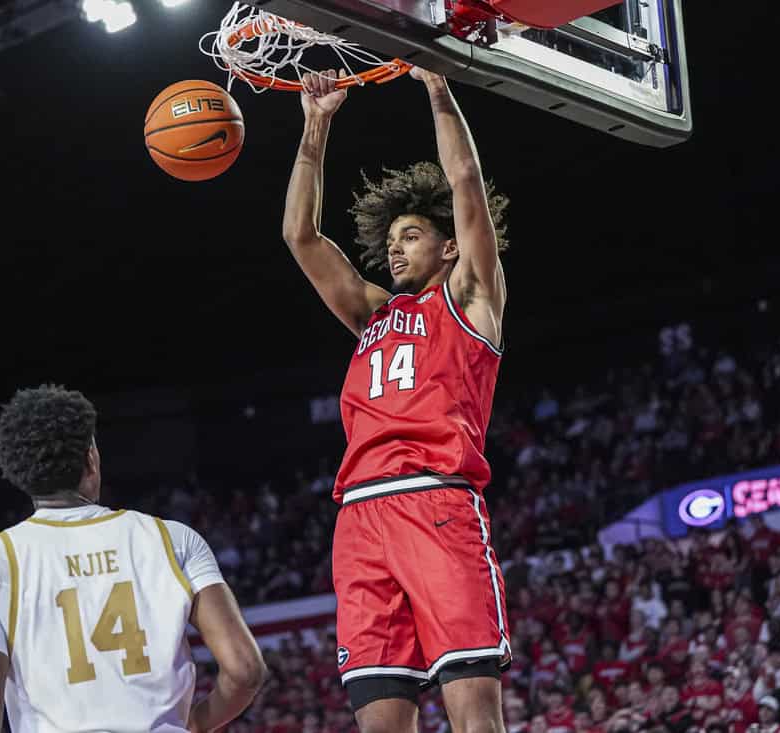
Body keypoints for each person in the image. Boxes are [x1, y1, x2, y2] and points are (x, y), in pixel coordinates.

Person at [282, 66, 511, 732]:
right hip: (359, 520)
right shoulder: (371, 311)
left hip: (435, 499)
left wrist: (437, 89)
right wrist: (315, 125)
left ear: (447, 246)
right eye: (390, 240)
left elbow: (465, 183)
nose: (394, 246)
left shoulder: (469, 297)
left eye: (409, 235)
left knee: (474, 714)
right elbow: (299, 235)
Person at [0, 385, 266, 733]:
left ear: (19, 474)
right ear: (91, 458)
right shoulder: (172, 539)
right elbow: (245, 670)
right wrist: (196, 723)